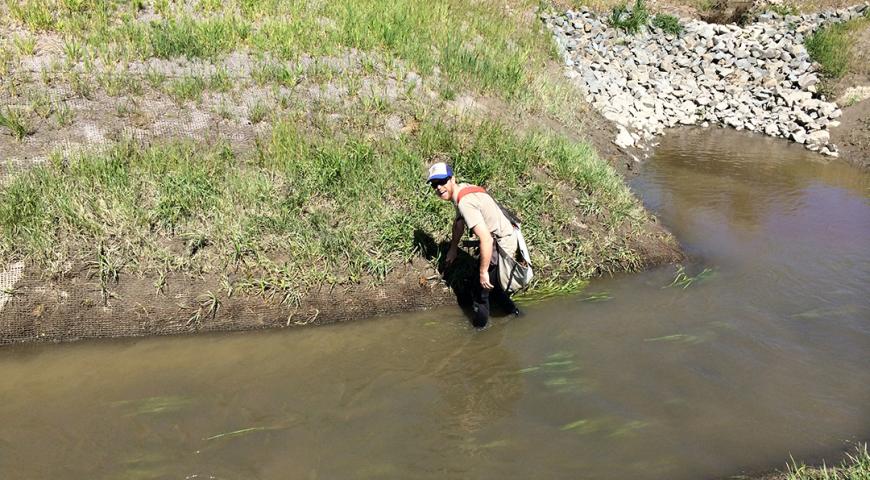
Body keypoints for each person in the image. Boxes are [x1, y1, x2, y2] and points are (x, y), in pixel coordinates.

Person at [427, 162, 521, 328]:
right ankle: (516, 315)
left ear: (452, 179)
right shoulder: (462, 190)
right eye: (435, 184)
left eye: (442, 181)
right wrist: (453, 248)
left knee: (481, 292)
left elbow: (486, 239)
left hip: (501, 243)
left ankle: (479, 332)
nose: (439, 187)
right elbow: (459, 223)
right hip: (501, 238)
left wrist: (483, 272)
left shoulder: (465, 203)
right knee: (494, 287)